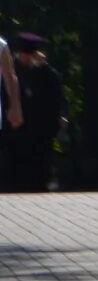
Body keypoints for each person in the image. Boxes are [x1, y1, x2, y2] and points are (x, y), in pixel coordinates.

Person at [5, 33, 62, 191]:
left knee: (40, 174)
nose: (29, 58)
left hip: (40, 132)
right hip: (15, 133)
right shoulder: (11, 72)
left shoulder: (46, 74)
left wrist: (44, 65)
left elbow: (55, 96)